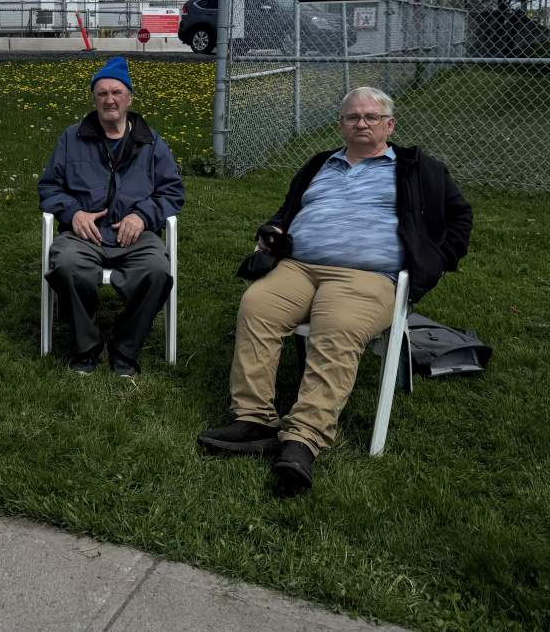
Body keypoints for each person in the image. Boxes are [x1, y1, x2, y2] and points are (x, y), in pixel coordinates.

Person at [198, 86, 473, 496]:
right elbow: (289, 210)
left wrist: (431, 261)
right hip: (299, 266)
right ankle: (254, 419)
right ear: (340, 125)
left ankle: (303, 439)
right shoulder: (318, 164)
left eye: (371, 117)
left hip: (366, 276)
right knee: (257, 306)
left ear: (389, 125)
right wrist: (275, 230)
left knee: (337, 326)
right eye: (352, 117)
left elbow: (460, 217)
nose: (361, 123)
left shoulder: (418, 169)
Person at [38, 56, 185, 377]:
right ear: (94, 99)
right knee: (66, 265)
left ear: (129, 98)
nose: (109, 99)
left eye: (116, 92)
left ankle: (124, 348)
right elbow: (49, 187)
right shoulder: (72, 138)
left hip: (135, 237)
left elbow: (173, 192)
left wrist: (143, 216)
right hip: (83, 236)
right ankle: (86, 348)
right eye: (102, 93)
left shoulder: (151, 143)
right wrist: (73, 212)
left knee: (158, 269)